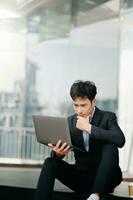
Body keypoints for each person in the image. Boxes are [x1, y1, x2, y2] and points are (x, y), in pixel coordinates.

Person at [34, 80, 125, 200]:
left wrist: (89, 128)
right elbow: (57, 154)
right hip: (81, 177)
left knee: (110, 145)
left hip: (107, 178)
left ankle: (95, 196)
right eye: (75, 105)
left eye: (83, 105)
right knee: (49, 162)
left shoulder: (108, 117)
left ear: (93, 102)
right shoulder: (70, 122)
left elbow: (120, 140)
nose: (79, 110)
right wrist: (58, 154)